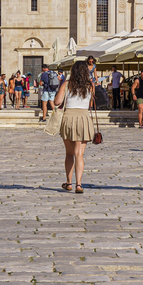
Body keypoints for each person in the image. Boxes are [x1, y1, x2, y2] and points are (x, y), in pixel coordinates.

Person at [54, 60, 96, 194]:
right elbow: (91, 102)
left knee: (69, 153)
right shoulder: (90, 85)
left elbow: (57, 101)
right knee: (80, 154)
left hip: (68, 118)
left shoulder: (67, 84)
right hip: (83, 118)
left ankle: (69, 182)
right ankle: (79, 184)